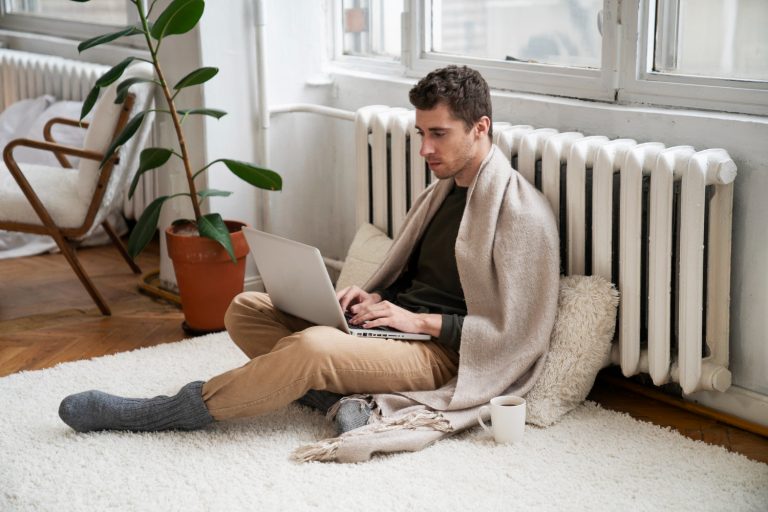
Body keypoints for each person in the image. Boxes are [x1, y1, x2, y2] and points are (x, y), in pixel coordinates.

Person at [59, 66, 560, 462]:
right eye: (420, 133)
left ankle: (166, 411)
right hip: (393, 330)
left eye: (439, 133)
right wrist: (378, 298)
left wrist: (419, 322)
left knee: (311, 348)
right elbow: (415, 276)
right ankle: (345, 403)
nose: (425, 148)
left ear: (480, 128)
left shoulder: (522, 213)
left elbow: (514, 334)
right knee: (245, 308)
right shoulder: (442, 193)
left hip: (443, 355)